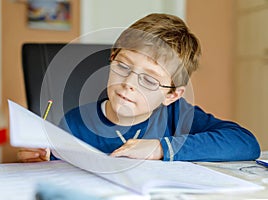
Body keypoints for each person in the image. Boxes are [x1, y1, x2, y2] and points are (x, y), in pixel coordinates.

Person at [17, 13, 260, 163]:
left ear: (172, 94)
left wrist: (161, 148)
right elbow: (50, 170)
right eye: (123, 66)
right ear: (112, 58)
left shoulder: (178, 116)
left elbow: (245, 143)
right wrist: (37, 160)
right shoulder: (75, 123)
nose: (129, 83)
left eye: (150, 80)